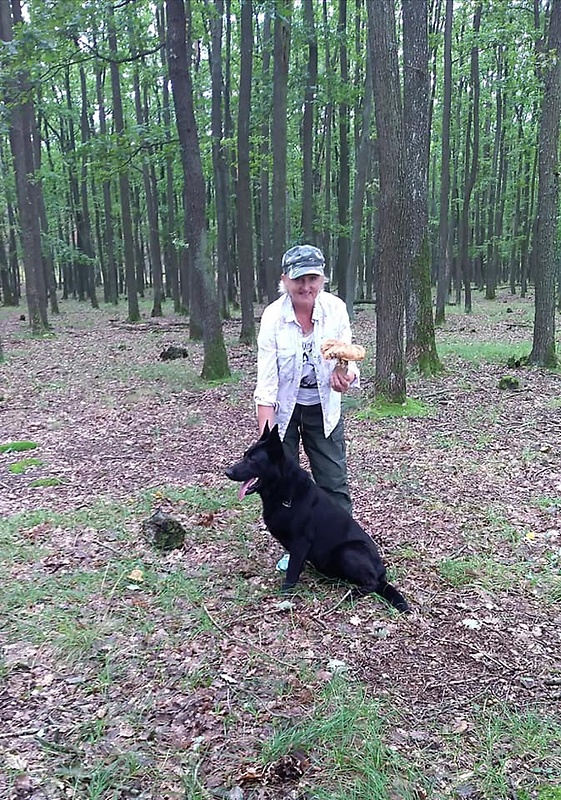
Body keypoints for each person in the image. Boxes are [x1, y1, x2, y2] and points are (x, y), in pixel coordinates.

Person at [254, 244, 360, 514]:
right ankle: (294, 548)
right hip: (284, 411)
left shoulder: (335, 310)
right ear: (284, 280)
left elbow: (345, 357)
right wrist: (268, 441)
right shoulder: (273, 318)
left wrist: (343, 374)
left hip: (324, 409)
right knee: (283, 483)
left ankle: (340, 546)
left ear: (323, 278)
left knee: (333, 482)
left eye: (312, 279)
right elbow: (266, 385)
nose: (306, 287)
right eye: (298, 279)